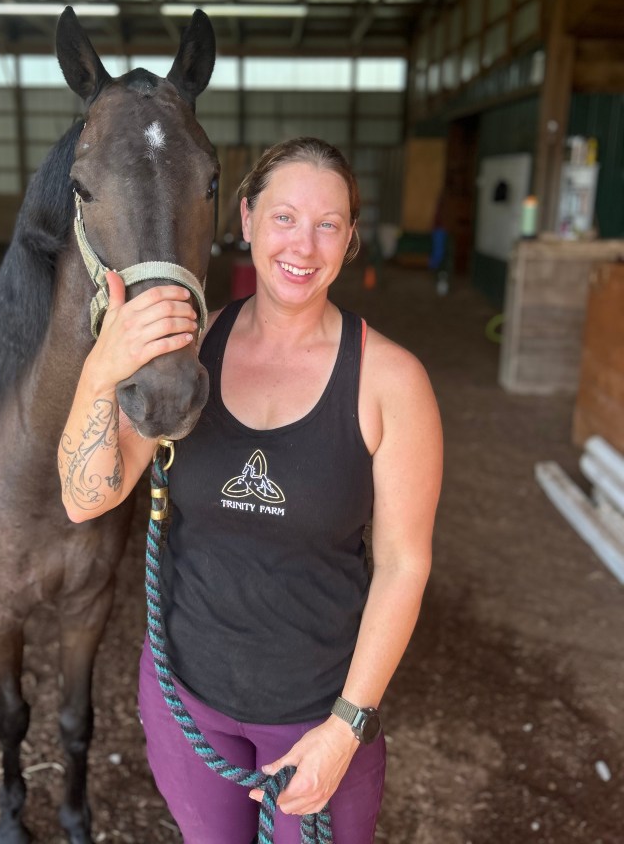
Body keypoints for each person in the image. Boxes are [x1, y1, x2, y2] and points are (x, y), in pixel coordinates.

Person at [59, 137, 443, 844]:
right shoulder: (188, 351)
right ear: (245, 218)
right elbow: (87, 497)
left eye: (329, 223)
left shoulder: (391, 381)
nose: (305, 243)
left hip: (318, 713)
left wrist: (347, 726)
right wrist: (102, 368)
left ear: (351, 239)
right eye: (285, 217)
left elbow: (403, 565)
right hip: (185, 702)